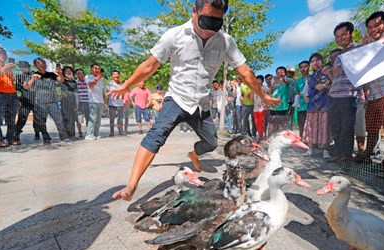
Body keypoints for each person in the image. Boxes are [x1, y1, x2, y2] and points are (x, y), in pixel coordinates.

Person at [108, 0, 280, 201]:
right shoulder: (174, 35)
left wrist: (263, 94)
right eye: (206, 21)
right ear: (194, 11)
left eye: (217, 23)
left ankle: (194, 154)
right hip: (177, 98)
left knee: (211, 143)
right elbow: (149, 66)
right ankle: (131, 186)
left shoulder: (225, 41)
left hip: (201, 103)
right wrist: (127, 85)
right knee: (156, 135)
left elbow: (245, 71)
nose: (210, 29)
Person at [359, 11, 384, 170]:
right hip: (372, 93)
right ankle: (367, 155)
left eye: (377, 25)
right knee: (372, 126)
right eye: (370, 27)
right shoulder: (367, 46)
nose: (373, 29)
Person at [328, 22, 362, 162]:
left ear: (352, 33)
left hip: (349, 94)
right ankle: (339, 154)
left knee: (347, 128)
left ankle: (346, 157)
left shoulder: (359, 49)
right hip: (333, 95)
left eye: (343, 34)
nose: (340, 38)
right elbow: (336, 76)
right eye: (337, 36)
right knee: (335, 127)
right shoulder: (339, 55)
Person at [26, 58, 70, 144]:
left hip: (52, 102)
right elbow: (26, 86)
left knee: (59, 120)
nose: (42, 64)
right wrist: (32, 79)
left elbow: (61, 80)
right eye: (39, 63)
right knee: (41, 122)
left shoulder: (51, 75)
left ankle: (64, 137)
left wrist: (60, 74)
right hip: (40, 103)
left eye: (43, 63)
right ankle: (46, 138)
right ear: (36, 66)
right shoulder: (32, 75)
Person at [302, 53, 331, 159]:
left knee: (324, 126)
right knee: (311, 127)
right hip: (312, 105)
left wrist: (324, 85)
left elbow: (331, 84)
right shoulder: (310, 78)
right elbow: (306, 91)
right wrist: (306, 95)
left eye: (317, 60)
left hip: (325, 103)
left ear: (321, 61)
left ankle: (325, 149)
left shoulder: (328, 72)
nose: (315, 63)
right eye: (312, 61)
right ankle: (310, 148)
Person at [14, 61, 39, 144]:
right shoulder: (19, 77)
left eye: (25, 66)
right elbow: (17, 89)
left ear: (28, 66)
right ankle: (16, 134)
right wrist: (17, 99)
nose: (23, 68)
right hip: (24, 101)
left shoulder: (35, 75)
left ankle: (37, 133)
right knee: (22, 119)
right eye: (21, 67)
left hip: (36, 100)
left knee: (38, 119)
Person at [0, 46, 17, 147]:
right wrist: (2, 70)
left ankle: (10, 138)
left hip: (12, 95)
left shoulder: (9, 69)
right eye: (0, 53)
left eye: (4, 53)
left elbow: (12, 83)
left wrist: (16, 95)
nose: (3, 55)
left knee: (11, 118)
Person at [267, 66, 291, 136]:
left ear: (285, 73)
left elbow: (286, 82)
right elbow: (269, 93)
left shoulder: (288, 80)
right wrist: (271, 88)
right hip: (273, 106)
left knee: (281, 125)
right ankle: (269, 139)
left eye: (282, 72)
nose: (280, 73)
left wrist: (282, 78)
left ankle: (281, 139)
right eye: (278, 72)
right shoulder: (274, 82)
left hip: (283, 107)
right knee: (271, 124)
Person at [85, 63, 105, 140]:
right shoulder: (88, 77)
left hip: (101, 101)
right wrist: (98, 78)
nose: (97, 70)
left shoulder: (102, 79)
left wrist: (105, 101)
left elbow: (102, 90)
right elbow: (91, 86)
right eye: (95, 68)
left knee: (99, 119)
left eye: (98, 69)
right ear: (91, 69)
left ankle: (95, 134)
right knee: (93, 118)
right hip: (92, 101)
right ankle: (89, 134)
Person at [60, 66, 78, 139]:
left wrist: (77, 103)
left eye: (70, 71)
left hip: (73, 100)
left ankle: (72, 135)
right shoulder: (63, 80)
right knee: (66, 117)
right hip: (65, 100)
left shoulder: (74, 82)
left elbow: (76, 92)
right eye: (66, 71)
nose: (69, 72)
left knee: (72, 118)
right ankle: (66, 136)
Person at [106, 70, 124, 136]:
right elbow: (108, 92)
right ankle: (111, 132)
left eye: (117, 74)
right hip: (112, 104)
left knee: (120, 118)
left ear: (119, 75)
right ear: (112, 76)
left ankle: (120, 131)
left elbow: (124, 92)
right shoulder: (109, 83)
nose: (116, 75)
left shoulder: (122, 84)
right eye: (114, 74)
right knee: (112, 118)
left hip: (120, 103)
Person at [294, 60, 309, 138]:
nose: (303, 68)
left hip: (312, 106)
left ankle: (313, 144)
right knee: (301, 125)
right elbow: (297, 93)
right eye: (301, 67)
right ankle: (303, 141)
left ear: (309, 67)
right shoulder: (298, 81)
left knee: (311, 126)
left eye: (305, 66)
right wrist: (296, 103)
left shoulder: (313, 78)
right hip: (301, 107)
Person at [75, 68, 89, 138]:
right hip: (79, 103)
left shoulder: (87, 82)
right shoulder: (75, 83)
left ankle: (88, 131)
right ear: (76, 75)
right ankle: (80, 131)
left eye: (82, 73)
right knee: (79, 118)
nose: (80, 75)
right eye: (78, 73)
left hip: (87, 102)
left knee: (88, 118)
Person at [253, 75, 267, 141]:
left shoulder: (265, 88)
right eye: (257, 79)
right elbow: (251, 98)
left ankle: (260, 135)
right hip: (255, 108)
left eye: (259, 80)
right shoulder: (254, 88)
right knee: (256, 122)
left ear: (262, 80)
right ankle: (259, 134)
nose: (258, 81)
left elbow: (269, 95)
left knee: (261, 122)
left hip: (262, 108)